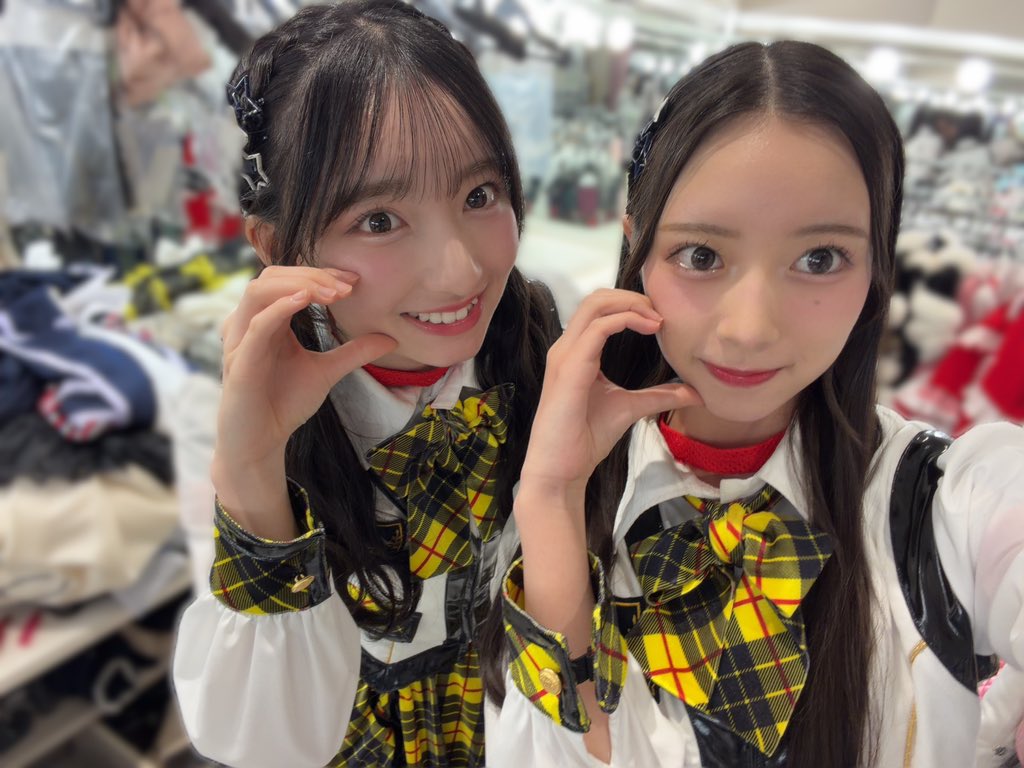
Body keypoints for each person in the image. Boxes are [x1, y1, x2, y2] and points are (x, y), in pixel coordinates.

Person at [484, 41, 1024, 767]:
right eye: (701, 256)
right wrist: (551, 500)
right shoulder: (561, 492)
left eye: (819, 259)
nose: (750, 329)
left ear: (876, 267)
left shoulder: (948, 505)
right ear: (637, 248)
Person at [171, 3, 560, 767]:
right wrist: (253, 474)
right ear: (279, 247)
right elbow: (269, 743)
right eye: (379, 219)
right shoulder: (220, 411)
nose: (460, 272)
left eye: (479, 195)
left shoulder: (540, 338)